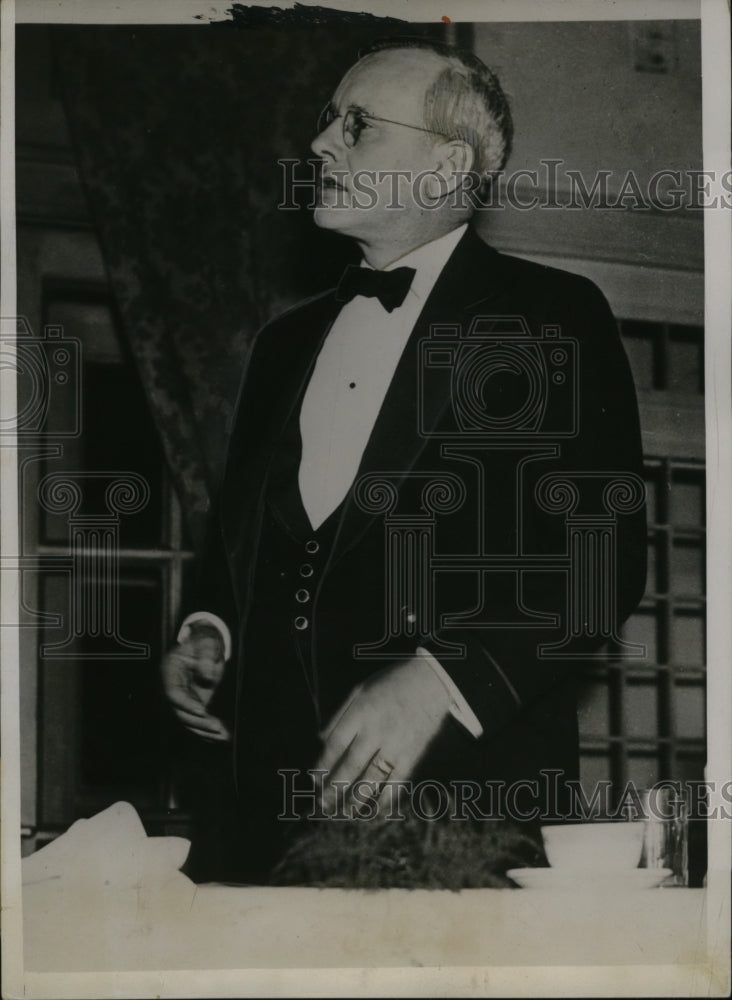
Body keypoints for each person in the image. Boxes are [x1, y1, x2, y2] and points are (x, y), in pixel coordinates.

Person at [161, 37, 647, 883]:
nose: (320, 145)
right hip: (256, 838)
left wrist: (440, 678)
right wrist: (209, 628)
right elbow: (251, 547)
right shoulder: (283, 344)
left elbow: (601, 562)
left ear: (444, 163)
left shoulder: (553, 315)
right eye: (325, 123)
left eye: (357, 125)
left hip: (461, 826)